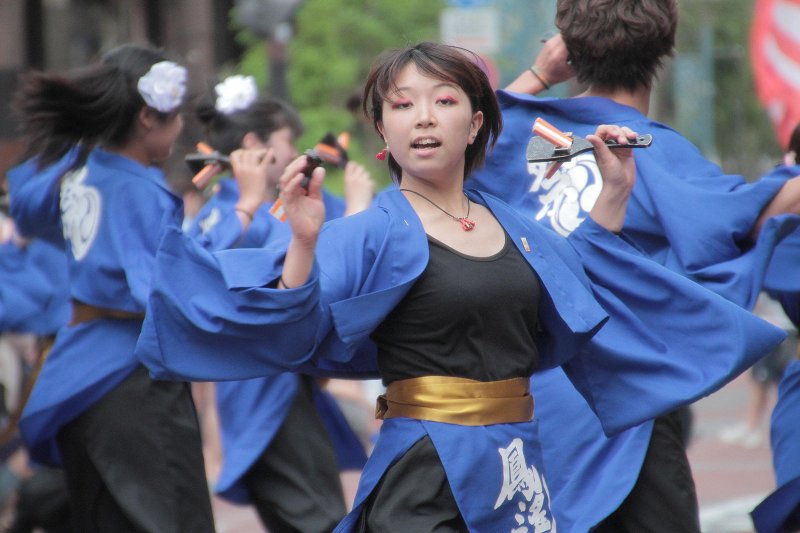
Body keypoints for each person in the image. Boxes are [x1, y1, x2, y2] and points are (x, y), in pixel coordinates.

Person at [131, 41, 786, 532]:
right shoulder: (373, 231)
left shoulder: (516, 225)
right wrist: (302, 241)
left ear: (475, 125)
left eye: (443, 101)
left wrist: (613, 192)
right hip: (425, 476)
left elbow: (581, 278)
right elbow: (291, 320)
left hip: (518, 467)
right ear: (382, 130)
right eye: (401, 105)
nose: (422, 118)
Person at [466, 3, 800, 530]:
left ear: (566, 47)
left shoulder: (519, 133)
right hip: (615, 417)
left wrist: (539, 75)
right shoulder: (656, 153)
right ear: (663, 50)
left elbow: (458, 138)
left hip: (513, 408)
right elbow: (751, 217)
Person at [4, 43, 239, 531]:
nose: (180, 128)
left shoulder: (80, 173)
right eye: (174, 116)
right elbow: (162, 289)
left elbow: (27, 209)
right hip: (131, 376)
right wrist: (243, 218)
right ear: (148, 118)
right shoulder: (137, 188)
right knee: (172, 518)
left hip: (77, 367)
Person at [187, 74, 372, 531]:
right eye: (287, 141)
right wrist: (358, 208)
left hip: (268, 388)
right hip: (267, 392)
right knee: (319, 521)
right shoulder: (245, 214)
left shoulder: (224, 209)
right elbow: (325, 264)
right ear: (255, 144)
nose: (293, 152)